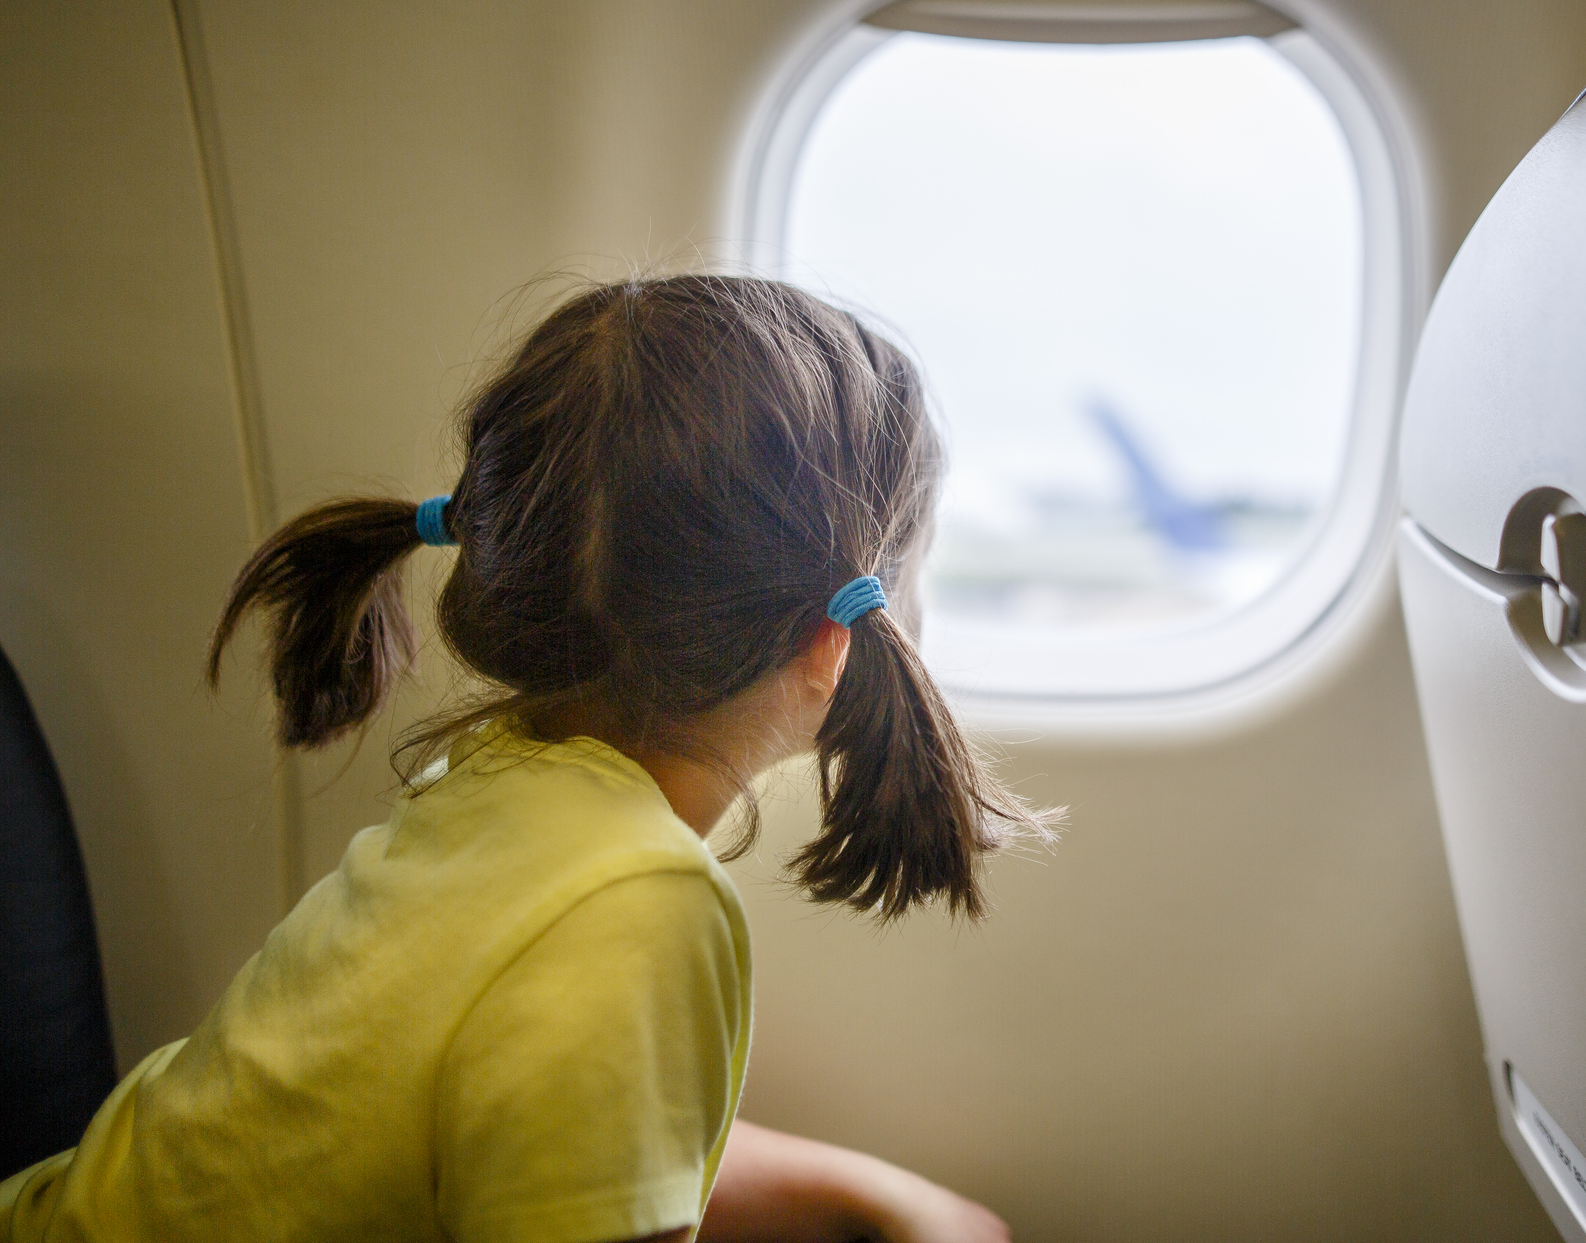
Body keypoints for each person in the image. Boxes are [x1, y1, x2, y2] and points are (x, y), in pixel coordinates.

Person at [0, 274, 1057, 1243]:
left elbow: (540, 1120)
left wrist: (867, 1192)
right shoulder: (636, 906)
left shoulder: (508, 786)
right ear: (832, 641)